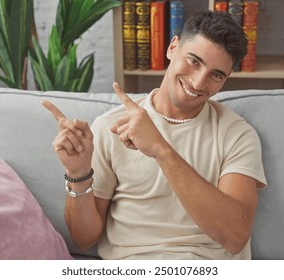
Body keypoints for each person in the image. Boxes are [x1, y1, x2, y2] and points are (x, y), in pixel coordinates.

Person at [42, 10, 266, 260]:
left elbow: (235, 238)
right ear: (173, 47)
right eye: (194, 61)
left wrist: (161, 149)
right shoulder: (110, 127)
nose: (198, 82)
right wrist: (78, 174)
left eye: (216, 75)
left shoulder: (237, 134)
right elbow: (84, 240)